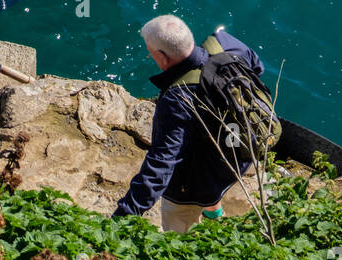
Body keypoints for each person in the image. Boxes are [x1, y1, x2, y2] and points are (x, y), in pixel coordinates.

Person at [112, 14, 268, 232]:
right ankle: (215, 216)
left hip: (198, 184)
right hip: (237, 157)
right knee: (212, 181)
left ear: (162, 57)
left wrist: (122, 219)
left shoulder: (178, 99)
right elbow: (257, 70)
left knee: (179, 228)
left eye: (151, 52)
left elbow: (161, 166)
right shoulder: (226, 44)